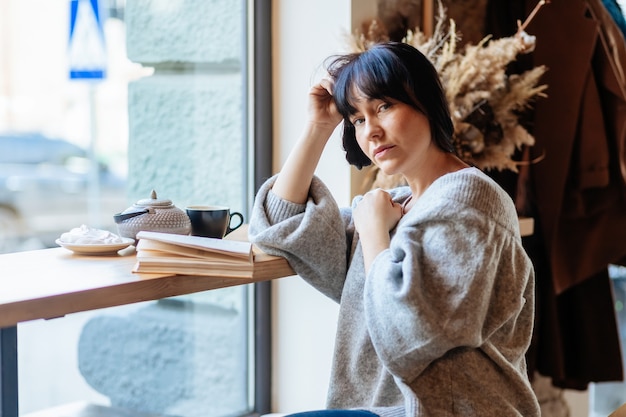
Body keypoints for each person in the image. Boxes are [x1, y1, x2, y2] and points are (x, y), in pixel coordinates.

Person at [248, 42, 540, 417]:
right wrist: (318, 127)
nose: (370, 130)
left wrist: (372, 233)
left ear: (424, 102)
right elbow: (281, 222)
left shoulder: (469, 199)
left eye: (383, 106)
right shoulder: (397, 206)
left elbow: (411, 334)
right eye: (356, 119)